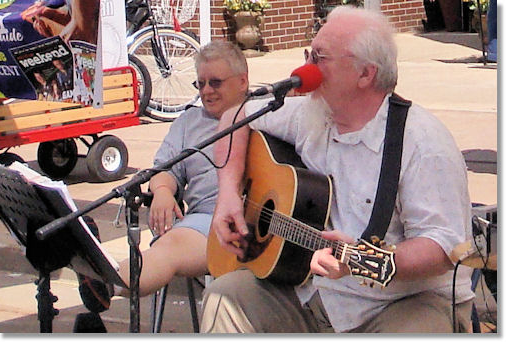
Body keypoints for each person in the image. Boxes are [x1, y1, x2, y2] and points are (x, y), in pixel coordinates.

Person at [201, 6, 474, 333]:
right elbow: (235, 117)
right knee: (224, 296)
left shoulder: (423, 143)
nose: (306, 68)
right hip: (314, 294)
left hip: (403, 303)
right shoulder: (309, 114)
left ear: (365, 74)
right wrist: (229, 195)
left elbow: (444, 247)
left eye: (320, 58)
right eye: (309, 54)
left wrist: (361, 260)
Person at [77, 40, 250, 311]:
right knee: (170, 246)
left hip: (253, 223)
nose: (206, 91)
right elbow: (163, 169)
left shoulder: (267, 114)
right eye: (200, 84)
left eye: (215, 83)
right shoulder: (188, 122)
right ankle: (103, 278)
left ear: (242, 81)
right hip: (205, 220)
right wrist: (163, 191)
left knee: (170, 247)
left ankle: (102, 275)